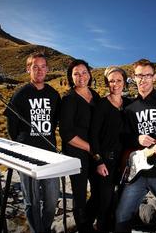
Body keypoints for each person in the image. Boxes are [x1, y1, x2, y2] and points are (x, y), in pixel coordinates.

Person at [115, 59, 156, 232]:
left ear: (154, 77)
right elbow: (123, 137)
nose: (143, 79)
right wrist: (137, 139)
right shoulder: (129, 107)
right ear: (134, 78)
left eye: (147, 75)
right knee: (122, 216)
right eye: (139, 75)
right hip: (138, 173)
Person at [4, 52, 61, 233]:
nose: (39, 71)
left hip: (50, 155)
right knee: (32, 202)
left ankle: (44, 228)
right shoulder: (20, 94)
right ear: (28, 69)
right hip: (27, 155)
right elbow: (11, 126)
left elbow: (59, 121)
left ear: (47, 70)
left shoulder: (53, 94)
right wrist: (22, 145)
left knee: (52, 200)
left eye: (43, 67)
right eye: (35, 67)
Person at [88, 66, 132, 231]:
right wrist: (98, 161)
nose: (115, 84)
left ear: (124, 82)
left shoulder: (129, 104)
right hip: (105, 161)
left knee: (122, 200)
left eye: (119, 80)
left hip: (125, 161)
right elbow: (93, 136)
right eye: (111, 81)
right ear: (107, 83)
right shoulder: (102, 105)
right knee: (104, 202)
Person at [60, 59, 100, 232]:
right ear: (71, 77)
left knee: (100, 189)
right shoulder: (69, 99)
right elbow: (67, 134)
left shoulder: (95, 95)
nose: (81, 76)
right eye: (76, 73)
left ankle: (89, 220)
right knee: (80, 193)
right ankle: (84, 228)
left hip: (95, 151)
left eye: (84, 72)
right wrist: (91, 148)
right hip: (77, 152)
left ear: (89, 74)